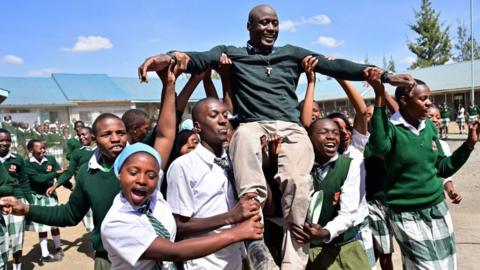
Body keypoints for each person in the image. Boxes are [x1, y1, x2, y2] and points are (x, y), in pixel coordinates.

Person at [138, 5, 415, 269]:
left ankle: (293, 259)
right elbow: (196, 58)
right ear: (249, 26)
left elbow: (337, 66)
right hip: (253, 124)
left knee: (297, 179)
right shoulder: (232, 54)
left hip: (290, 126)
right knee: (243, 137)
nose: (271, 27)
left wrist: (387, 77)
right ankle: (254, 234)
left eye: (275, 23)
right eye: (263, 22)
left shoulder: (292, 54)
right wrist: (168, 58)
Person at [0, 62, 178, 270]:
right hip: (108, 259)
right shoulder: (87, 173)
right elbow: (69, 214)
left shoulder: (140, 158)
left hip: (157, 255)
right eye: (106, 134)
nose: (115, 139)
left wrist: (169, 84)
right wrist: (27, 209)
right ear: (94, 138)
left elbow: (165, 133)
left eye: (120, 133)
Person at [367, 69, 480, 269]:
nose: (428, 102)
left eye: (429, 98)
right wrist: (379, 95)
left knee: (447, 265)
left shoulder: (428, 126)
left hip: (437, 208)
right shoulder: (392, 129)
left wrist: (469, 145)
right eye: (423, 98)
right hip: (406, 214)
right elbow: (378, 146)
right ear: (403, 101)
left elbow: (442, 168)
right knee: (425, 267)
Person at [100, 143, 263, 270]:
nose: (142, 180)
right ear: (119, 174)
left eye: (151, 175)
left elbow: (165, 135)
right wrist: (236, 232)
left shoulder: (152, 194)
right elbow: (174, 251)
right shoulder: (116, 223)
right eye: (133, 172)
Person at [167, 98, 261, 269]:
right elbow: (178, 226)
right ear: (197, 127)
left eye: (225, 115)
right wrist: (231, 217)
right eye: (214, 115)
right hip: (206, 261)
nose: (223, 120)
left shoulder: (235, 161)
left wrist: (255, 164)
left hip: (238, 257)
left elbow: (265, 207)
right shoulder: (184, 166)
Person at [291, 118, 370, 269]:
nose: (331, 136)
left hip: (347, 248)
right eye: (323, 132)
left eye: (335, 133)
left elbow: (349, 213)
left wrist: (325, 232)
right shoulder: (299, 168)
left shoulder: (350, 165)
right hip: (311, 252)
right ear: (309, 138)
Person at [47, 126, 98, 232]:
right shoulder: (77, 153)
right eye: (79, 135)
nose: (81, 137)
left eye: (84, 134)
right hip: (85, 190)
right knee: (90, 225)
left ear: (92, 135)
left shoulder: (102, 149)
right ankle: (95, 246)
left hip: (100, 189)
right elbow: (69, 172)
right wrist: (55, 185)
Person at [24, 139, 64, 262]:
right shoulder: (27, 164)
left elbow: (60, 175)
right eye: (40, 148)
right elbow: (39, 179)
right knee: (42, 226)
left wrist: (55, 185)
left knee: (54, 222)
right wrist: (54, 173)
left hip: (50, 196)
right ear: (31, 150)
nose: (43, 150)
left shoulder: (50, 159)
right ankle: (45, 253)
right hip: (37, 196)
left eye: (44, 148)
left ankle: (58, 247)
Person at [0, 129, 30, 270]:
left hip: (16, 201)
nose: (5, 143)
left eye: (7, 140)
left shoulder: (17, 159)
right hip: (1, 205)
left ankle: (17, 267)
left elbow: (24, 182)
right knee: (2, 239)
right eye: (1, 140)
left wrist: (28, 201)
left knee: (17, 239)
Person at [427, 106, 463, 204]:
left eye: (438, 117)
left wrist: (451, 191)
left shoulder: (443, 145)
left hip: (437, 198)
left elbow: (445, 174)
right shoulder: (415, 143)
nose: (435, 120)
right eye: (430, 117)